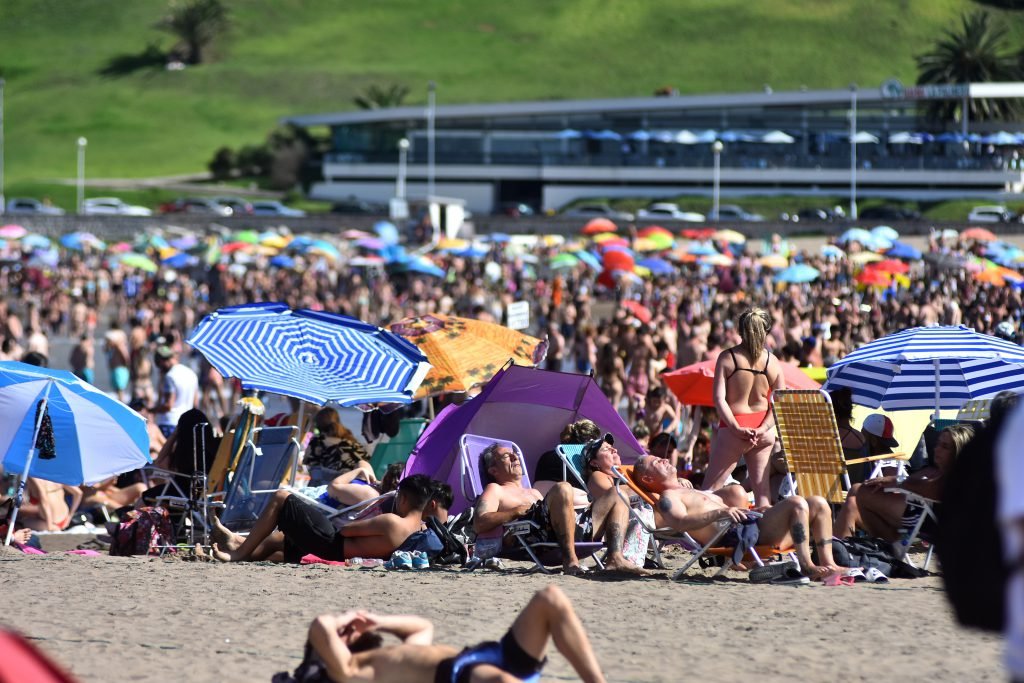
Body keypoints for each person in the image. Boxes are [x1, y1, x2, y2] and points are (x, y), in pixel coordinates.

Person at [280, 585, 605, 683]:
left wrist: (378, 622)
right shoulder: (351, 672)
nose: (347, 631)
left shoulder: (387, 656)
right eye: (342, 634)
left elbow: (423, 627)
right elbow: (320, 625)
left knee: (550, 598)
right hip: (457, 674)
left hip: (484, 655)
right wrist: (345, 618)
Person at [630, 454, 842, 580]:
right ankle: (806, 565)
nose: (665, 459)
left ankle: (829, 564)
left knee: (818, 503)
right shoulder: (669, 498)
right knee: (796, 503)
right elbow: (679, 522)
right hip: (738, 537)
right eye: (657, 462)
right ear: (648, 478)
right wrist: (720, 512)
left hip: (752, 525)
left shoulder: (692, 491)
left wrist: (758, 510)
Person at [473, 441, 644, 575]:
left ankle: (615, 557)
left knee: (616, 493)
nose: (514, 457)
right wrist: (515, 512)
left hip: (569, 531)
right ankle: (570, 559)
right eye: (507, 456)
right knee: (562, 487)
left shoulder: (533, 492)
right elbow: (479, 523)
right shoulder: (495, 489)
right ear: (493, 470)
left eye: (515, 454)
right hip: (536, 538)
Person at [211, 474, 445, 564]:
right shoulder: (419, 529)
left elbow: (347, 530)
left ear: (403, 498)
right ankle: (237, 545)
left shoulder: (392, 521)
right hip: (341, 552)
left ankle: (240, 553)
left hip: (332, 546)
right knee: (282, 540)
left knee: (282, 497)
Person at [834, 423, 975, 542]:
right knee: (852, 503)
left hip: (926, 519)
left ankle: (885, 543)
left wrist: (897, 481)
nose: (936, 449)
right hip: (919, 511)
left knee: (862, 491)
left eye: (945, 447)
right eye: (938, 444)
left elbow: (933, 489)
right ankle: (838, 553)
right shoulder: (940, 471)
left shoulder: (960, 475)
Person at [703, 307, 785, 507]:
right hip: (762, 429)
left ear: (740, 331)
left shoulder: (728, 358)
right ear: (766, 331)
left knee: (709, 490)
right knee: (763, 496)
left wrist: (735, 428)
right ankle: (766, 526)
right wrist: (763, 428)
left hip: (735, 427)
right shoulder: (772, 362)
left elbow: (719, 399)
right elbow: (779, 402)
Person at [304, 407, 375, 487]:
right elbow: (366, 460)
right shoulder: (351, 440)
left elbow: (308, 464)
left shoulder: (317, 442)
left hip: (326, 487)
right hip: (353, 486)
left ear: (317, 423)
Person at [153, 345, 199, 438]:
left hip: (169, 423)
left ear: (161, 361)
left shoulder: (170, 376)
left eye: (159, 365)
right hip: (186, 422)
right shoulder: (191, 374)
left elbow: (168, 405)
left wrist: (152, 410)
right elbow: (195, 404)